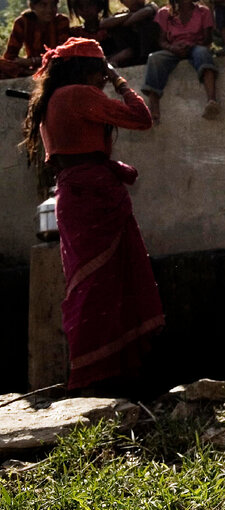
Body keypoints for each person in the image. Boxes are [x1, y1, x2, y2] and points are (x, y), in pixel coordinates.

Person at [19, 38, 164, 392]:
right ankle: (96, 377)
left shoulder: (55, 99)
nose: (102, 78)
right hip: (94, 195)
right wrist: (120, 80)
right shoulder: (77, 96)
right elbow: (143, 118)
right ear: (87, 69)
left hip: (76, 191)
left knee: (93, 283)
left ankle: (106, 374)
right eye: (99, 70)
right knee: (100, 285)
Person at [142, 0, 219, 122]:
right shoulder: (165, 13)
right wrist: (173, 48)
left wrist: (191, 45)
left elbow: (207, 39)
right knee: (154, 59)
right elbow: (162, 40)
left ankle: (211, 100)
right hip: (173, 49)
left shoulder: (203, 12)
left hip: (196, 46)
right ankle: (154, 104)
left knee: (203, 54)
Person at [2, 0, 71, 78]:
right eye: (44, 5)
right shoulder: (22, 22)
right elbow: (10, 55)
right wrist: (24, 64)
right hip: (30, 68)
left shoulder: (61, 21)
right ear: (32, 6)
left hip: (56, 65)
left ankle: (37, 74)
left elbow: (61, 53)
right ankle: (34, 73)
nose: (49, 10)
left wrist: (33, 61)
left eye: (53, 5)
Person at [105, 0, 161, 68]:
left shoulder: (150, 8)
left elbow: (145, 12)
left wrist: (125, 22)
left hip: (150, 55)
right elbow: (103, 23)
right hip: (128, 54)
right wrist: (127, 16)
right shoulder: (122, 15)